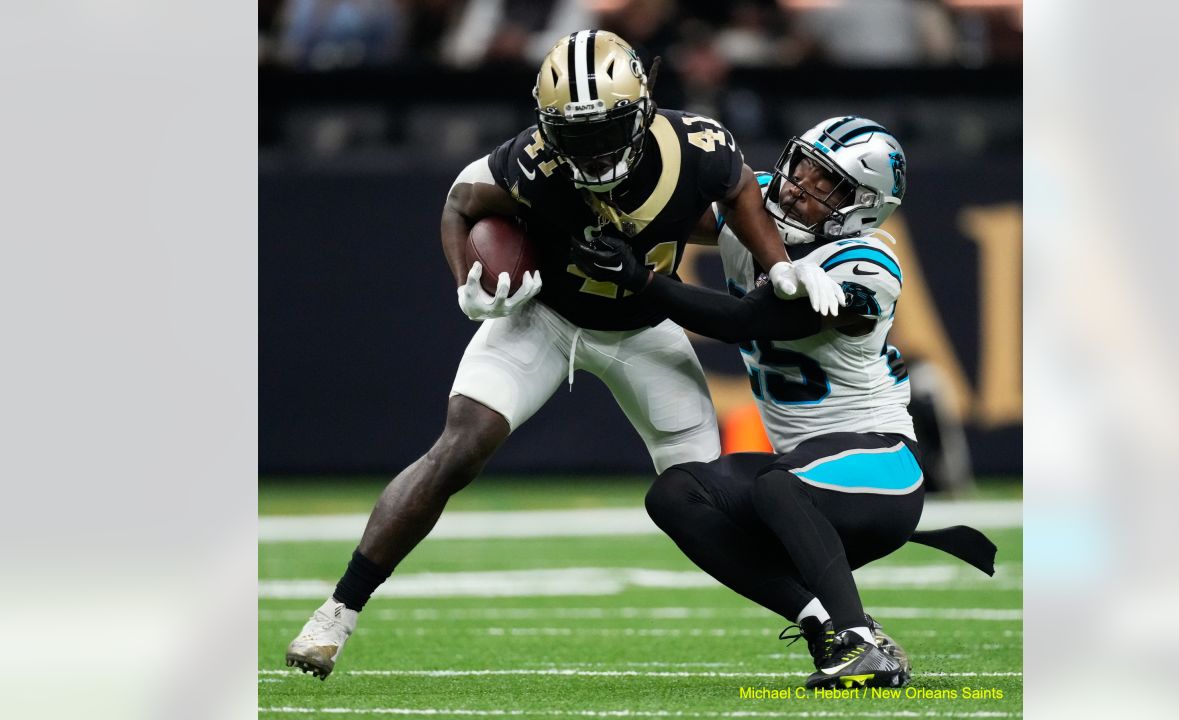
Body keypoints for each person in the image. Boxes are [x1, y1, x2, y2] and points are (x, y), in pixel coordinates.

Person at [283, 29, 844, 680]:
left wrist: (778, 265)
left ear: (642, 106)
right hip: (544, 317)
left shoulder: (699, 147)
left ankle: (824, 623)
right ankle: (337, 612)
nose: (595, 149)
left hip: (644, 328)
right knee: (459, 448)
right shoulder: (532, 160)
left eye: (607, 129)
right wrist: (466, 279)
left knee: (702, 502)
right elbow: (461, 202)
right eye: (576, 134)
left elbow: (741, 188)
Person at [570, 115, 995, 690]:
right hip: (802, 480)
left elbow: (745, 320)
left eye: (827, 184)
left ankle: (861, 646)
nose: (798, 185)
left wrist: (644, 283)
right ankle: (823, 624)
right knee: (677, 493)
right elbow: (668, 211)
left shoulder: (869, 267)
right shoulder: (761, 209)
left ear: (863, 207)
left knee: (779, 482)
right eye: (803, 165)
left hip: (881, 468)